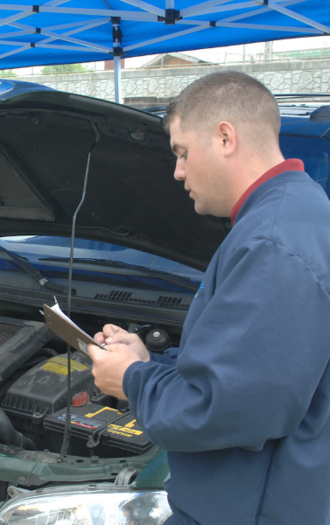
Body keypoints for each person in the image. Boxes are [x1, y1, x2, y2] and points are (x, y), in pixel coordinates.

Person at [89, 71, 330, 525]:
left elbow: (231, 407)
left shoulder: (273, 242)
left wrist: (133, 381)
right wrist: (149, 362)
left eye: (181, 152)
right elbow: (248, 365)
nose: (177, 171)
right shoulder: (290, 214)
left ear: (224, 138)